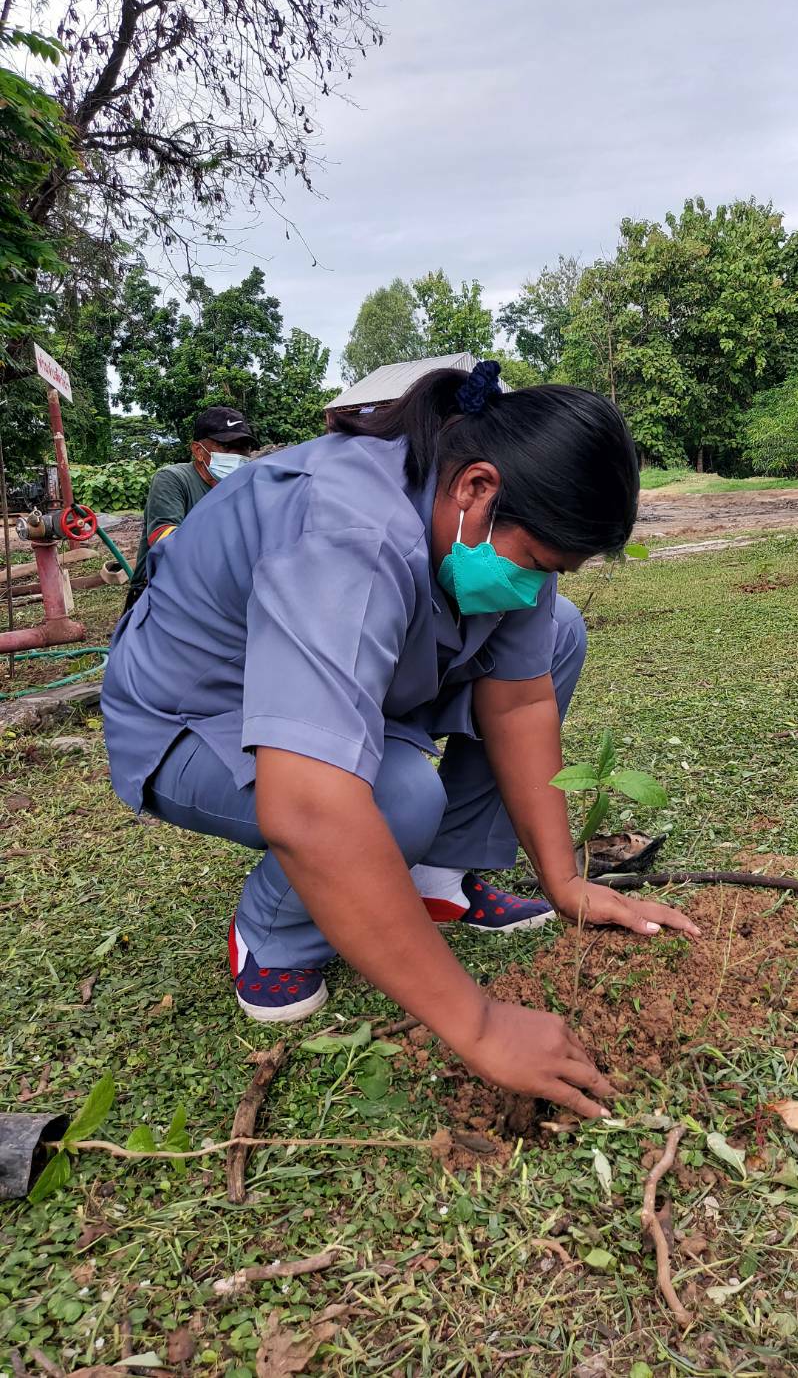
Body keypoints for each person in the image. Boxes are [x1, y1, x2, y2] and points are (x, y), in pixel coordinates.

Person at [102, 361, 697, 1118]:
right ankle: (270, 936)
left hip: (341, 674)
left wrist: (564, 879)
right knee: (395, 796)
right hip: (195, 710)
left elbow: (517, 703)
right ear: (477, 487)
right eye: (541, 564)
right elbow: (310, 806)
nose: (534, 585)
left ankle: (438, 876)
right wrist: (479, 1024)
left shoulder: (477, 516)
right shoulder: (348, 530)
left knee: (557, 635)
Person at [123, 406, 260, 611]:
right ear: (198, 450)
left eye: (244, 447)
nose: (238, 455)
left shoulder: (243, 489)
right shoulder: (174, 479)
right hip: (159, 593)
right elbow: (165, 540)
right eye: (227, 446)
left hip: (216, 593)